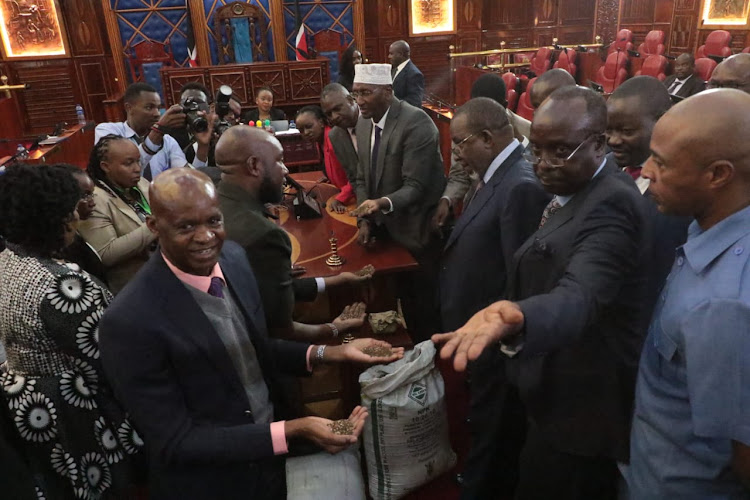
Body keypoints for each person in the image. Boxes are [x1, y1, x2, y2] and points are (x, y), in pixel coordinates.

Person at [99, 167, 403, 500]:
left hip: (270, 459)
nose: (205, 237)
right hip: (213, 483)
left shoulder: (234, 258)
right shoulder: (129, 321)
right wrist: (292, 430)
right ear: (154, 227)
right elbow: (175, 441)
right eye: (186, 226)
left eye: (214, 221)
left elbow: (249, 348)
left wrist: (331, 352)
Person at [433, 86, 650, 500]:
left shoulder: (612, 205)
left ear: (599, 143)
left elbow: (581, 293)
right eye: (536, 150)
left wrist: (520, 317)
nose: (543, 164)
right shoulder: (571, 192)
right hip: (550, 388)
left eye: (560, 151)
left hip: (581, 408)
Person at [628, 89, 750, 499]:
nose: (645, 171)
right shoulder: (707, 225)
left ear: (717, 174)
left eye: (660, 162)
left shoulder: (723, 303)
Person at [0, 164, 144, 499]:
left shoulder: (6, 260)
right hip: (75, 412)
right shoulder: (64, 284)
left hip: (28, 406)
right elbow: (110, 361)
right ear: (61, 217)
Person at [439, 97, 551, 499]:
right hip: (477, 330)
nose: (456, 152)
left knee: (492, 423)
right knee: (482, 416)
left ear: (487, 138)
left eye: (461, 143)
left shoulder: (519, 186)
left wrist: (496, 338)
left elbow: (518, 276)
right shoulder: (493, 174)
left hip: (492, 338)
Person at [215, 126, 371, 341]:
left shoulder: (215, 202)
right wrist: (334, 329)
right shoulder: (262, 234)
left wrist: (336, 280)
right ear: (254, 165)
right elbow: (281, 330)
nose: (286, 170)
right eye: (279, 160)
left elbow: (266, 285)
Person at [351, 63, 445, 340]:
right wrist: (364, 218)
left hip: (417, 232)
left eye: (365, 93)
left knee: (425, 308)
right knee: (399, 300)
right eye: (355, 93)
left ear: (388, 91)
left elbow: (416, 186)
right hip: (385, 231)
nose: (359, 101)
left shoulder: (416, 122)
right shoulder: (364, 122)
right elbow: (361, 179)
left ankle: (434, 360)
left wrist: (381, 203)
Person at [606, 76, 691, 312]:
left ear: (663, 121)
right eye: (609, 130)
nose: (613, 140)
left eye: (626, 131)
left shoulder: (682, 196)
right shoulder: (604, 167)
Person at [433, 72, 532, 231]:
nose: (480, 118)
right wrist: (447, 199)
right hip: (474, 208)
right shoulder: (464, 129)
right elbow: (459, 175)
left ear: (504, 105)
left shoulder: (528, 131)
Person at [78, 135, 156, 294]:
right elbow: (105, 253)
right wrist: (156, 226)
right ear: (106, 166)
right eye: (128, 163)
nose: (137, 168)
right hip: (133, 288)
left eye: (138, 161)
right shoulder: (94, 199)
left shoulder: (140, 183)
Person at [95, 82, 212, 180]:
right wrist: (158, 131)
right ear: (128, 108)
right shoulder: (107, 131)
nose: (156, 114)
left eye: (158, 107)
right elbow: (122, 171)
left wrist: (202, 146)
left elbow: (191, 180)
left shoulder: (167, 141)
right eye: (149, 107)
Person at [295, 105, 355, 213]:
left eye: (309, 126)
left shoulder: (334, 139)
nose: (305, 133)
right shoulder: (320, 140)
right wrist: (330, 175)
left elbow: (358, 174)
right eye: (301, 130)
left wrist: (341, 199)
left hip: (353, 197)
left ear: (321, 123)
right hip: (342, 191)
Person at [55, 164, 107, 284]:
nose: (92, 203)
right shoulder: (64, 246)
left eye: (91, 194)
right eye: (84, 195)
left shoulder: (75, 235)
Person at [320, 82, 363, 182]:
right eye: (329, 114)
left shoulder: (374, 119)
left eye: (337, 109)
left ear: (351, 100)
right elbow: (352, 177)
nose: (334, 117)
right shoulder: (335, 136)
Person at [388, 40, 425, 107]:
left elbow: (414, 101)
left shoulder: (414, 74)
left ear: (400, 54)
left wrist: (392, 105)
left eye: (391, 54)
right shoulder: (394, 70)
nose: (389, 56)